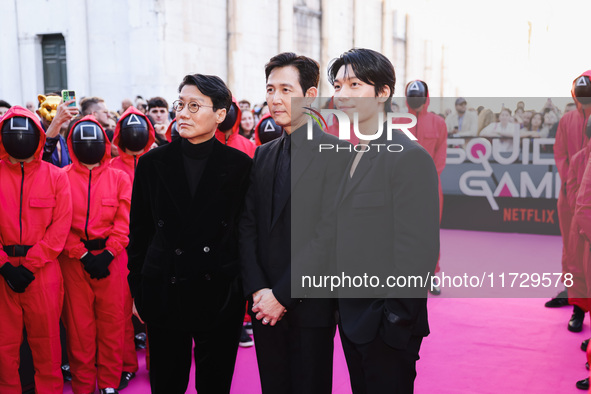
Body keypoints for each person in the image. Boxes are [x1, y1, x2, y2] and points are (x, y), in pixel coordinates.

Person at [324, 47, 439, 393]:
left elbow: (418, 250)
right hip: (352, 319)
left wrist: (394, 322)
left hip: (386, 327)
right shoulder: (356, 152)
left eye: (354, 85)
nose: (342, 94)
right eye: (339, 85)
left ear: (383, 93)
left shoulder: (408, 157)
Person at [128, 73, 251, 394]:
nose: (181, 113)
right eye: (179, 104)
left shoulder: (240, 165)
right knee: (167, 383)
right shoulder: (152, 164)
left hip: (220, 295)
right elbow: (139, 233)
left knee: (215, 383)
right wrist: (138, 289)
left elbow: (244, 233)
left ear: (220, 114)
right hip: (164, 292)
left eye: (194, 106)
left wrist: (239, 289)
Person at [239, 52, 350, 393]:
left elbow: (327, 236)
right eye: (270, 89)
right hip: (263, 308)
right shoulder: (263, 153)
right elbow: (248, 226)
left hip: (310, 308)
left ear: (310, 95)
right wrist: (259, 291)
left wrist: (282, 296)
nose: (275, 99)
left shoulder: (337, 155)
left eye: (286, 89)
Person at [0, 106, 73, 393]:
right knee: (4, 346)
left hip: (43, 273)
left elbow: (60, 229)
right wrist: (5, 266)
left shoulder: (56, 177)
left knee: (48, 346)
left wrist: (30, 265)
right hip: (3, 273)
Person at [59, 115, 131, 394]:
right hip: (74, 262)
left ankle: (110, 384)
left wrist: (109, 253)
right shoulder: (61, 178)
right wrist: (83, 255)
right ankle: (83, 385)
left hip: (112, 261)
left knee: (112, 324)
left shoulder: (119, 177)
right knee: (79, 330)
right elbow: (59, 224)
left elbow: (123, 222)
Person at [110, 106, 157, 388]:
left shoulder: (157, 162)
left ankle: (156, 361)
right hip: (119, 249)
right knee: (121, 312)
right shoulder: (112, 168)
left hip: (153, 246)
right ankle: (127, 363)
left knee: (155, 307)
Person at [547, 71, 591, 321]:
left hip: (588, 196)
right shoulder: (566, 120)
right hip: (570, 196)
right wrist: (570, 183)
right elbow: (560, 153)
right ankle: (576, 303)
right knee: (571, 250)